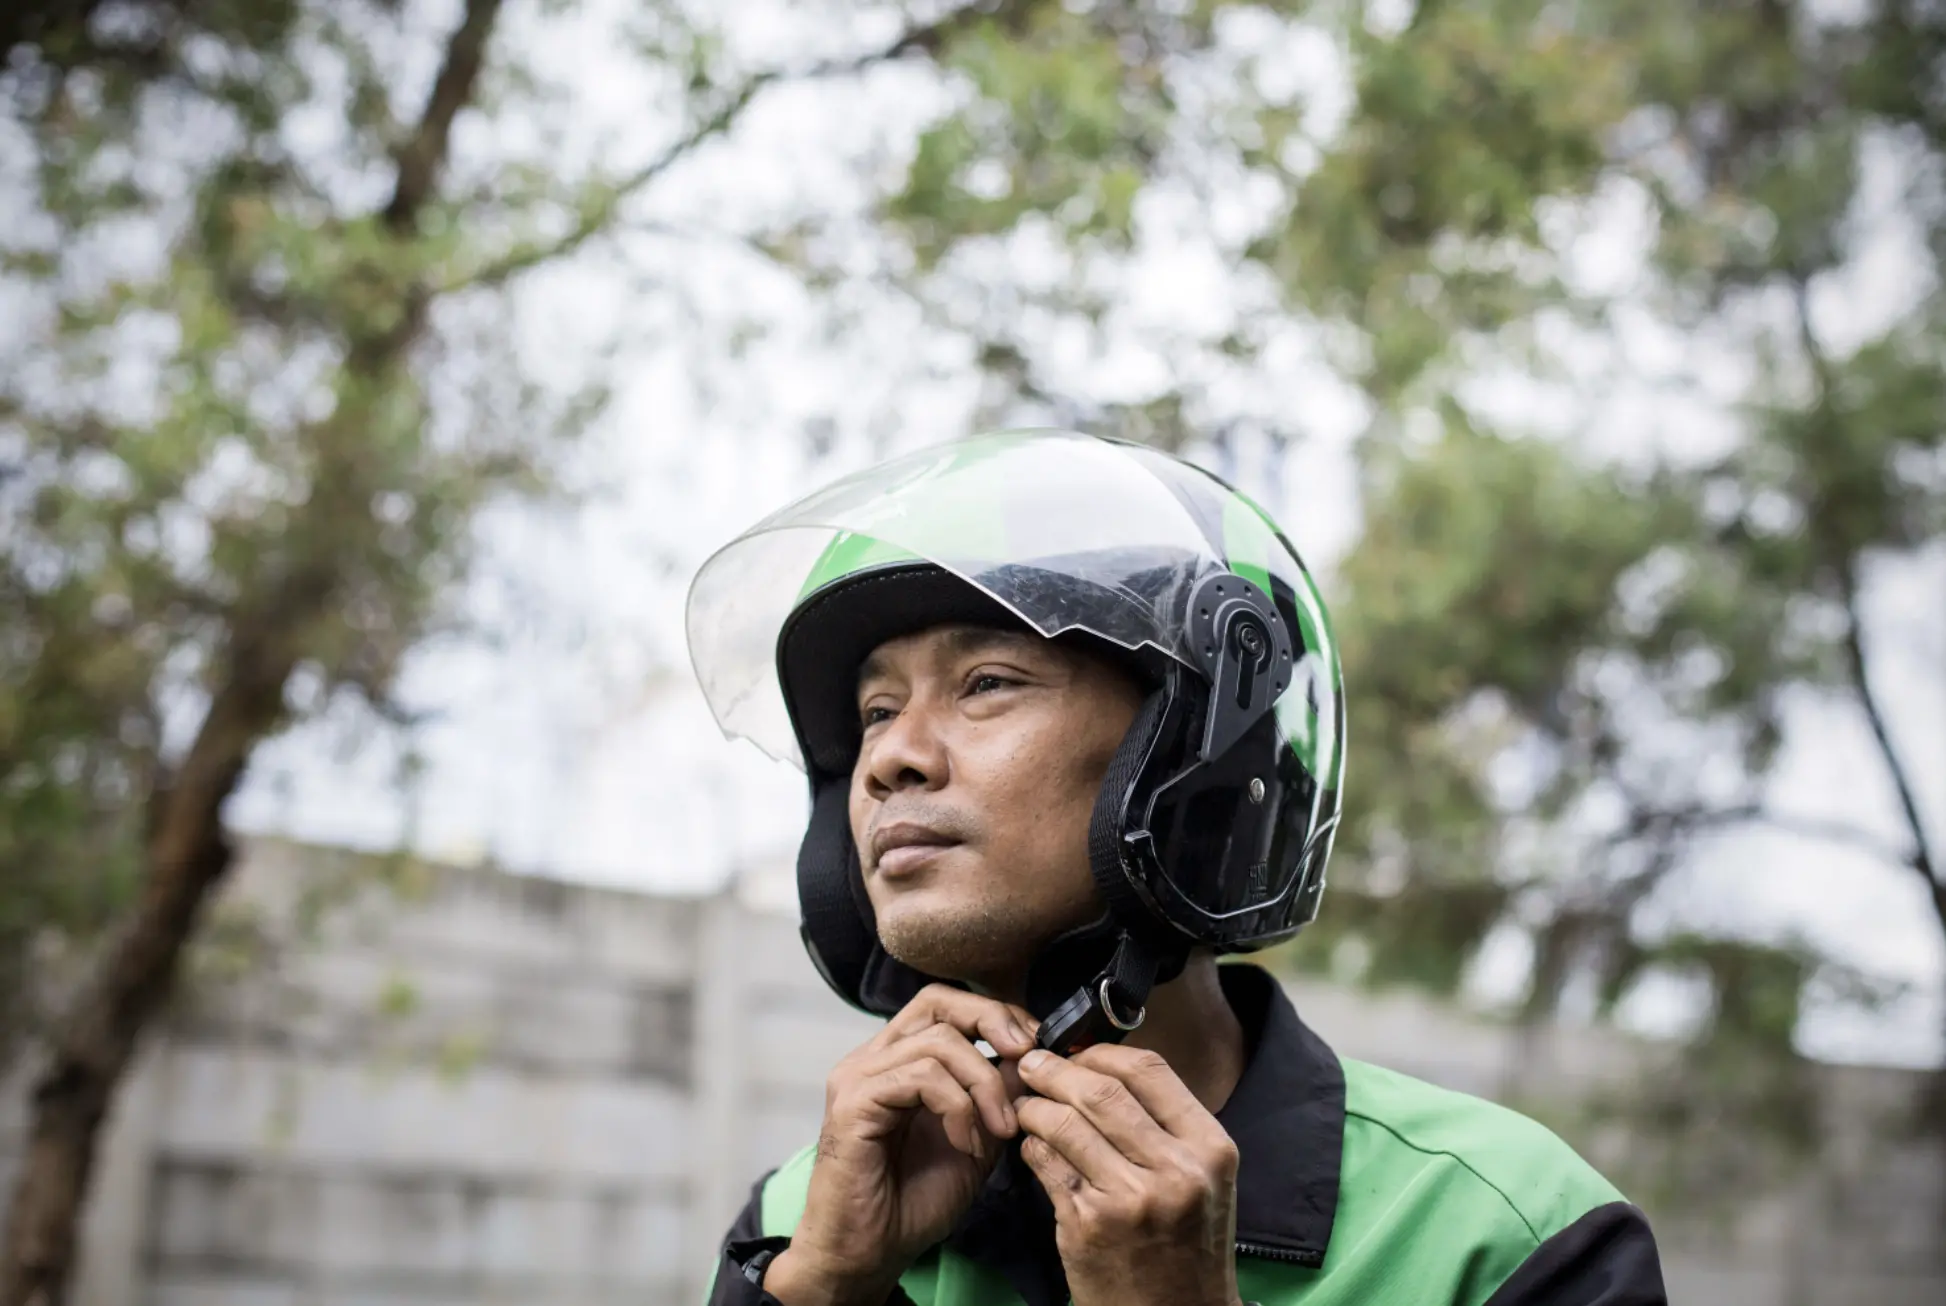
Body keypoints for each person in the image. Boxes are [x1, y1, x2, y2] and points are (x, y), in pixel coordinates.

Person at [684, 430, 1668, 1306]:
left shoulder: (1499, 1233)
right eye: (873, 712)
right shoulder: (802, 1220)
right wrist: (812, 1291)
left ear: (1194, 760)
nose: (890, 757)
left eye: (985, 682)